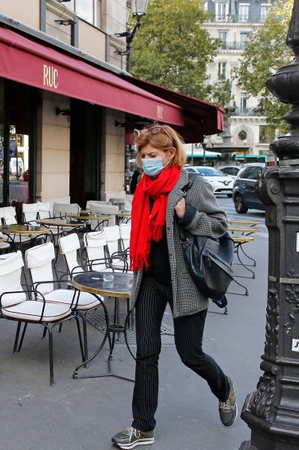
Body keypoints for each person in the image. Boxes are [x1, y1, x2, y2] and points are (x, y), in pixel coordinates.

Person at [112, 124, 237, 449]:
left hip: (186, 284)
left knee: (190, 354)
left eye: (151, 155)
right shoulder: (143, 184)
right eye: (141, 155)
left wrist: (189, 214)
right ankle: (142, 426)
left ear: (169, 154)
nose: (144, 161)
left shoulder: (192, 185)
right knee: (146, 353)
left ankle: (224, 388)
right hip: (150, 277)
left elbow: (221, 226)